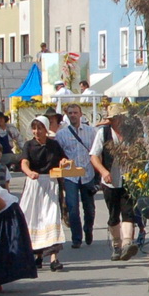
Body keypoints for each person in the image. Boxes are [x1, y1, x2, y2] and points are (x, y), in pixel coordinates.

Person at [20, 117, 70, 272]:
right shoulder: (29, 145)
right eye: (34, 128)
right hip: (34, 184)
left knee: (51, 217)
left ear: (46, 129)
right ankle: (37, 256)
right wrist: (29, 173)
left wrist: (64, 163)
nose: (36, 132)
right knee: (34, 218)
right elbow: (24, 162)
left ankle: (54, 258)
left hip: (50, 183)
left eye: (39, 128)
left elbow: (64, 160)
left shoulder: (53, 145)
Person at [89, 110, 139, 261]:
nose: (117, 121)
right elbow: (94, 156)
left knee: (128, 211)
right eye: (114, 118)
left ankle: (127, 244)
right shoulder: (103, 133)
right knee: (113, 215)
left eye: (119, 117)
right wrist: (104, 172)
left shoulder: (131, 132)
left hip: (129, 178)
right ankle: (116, 245)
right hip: (110, 181)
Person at [54, 104, 98, 250]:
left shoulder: (91, 132)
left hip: (87, 173)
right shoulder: (61, 134)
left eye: (75, 112)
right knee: (72, 207)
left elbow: (97, 152)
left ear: (81, 114)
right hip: (70, 176)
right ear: (67, 115)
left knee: (89, 208)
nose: (73, 115)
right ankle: (76, 238)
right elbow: (58, 154)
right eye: (70, 113)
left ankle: (88, 229)